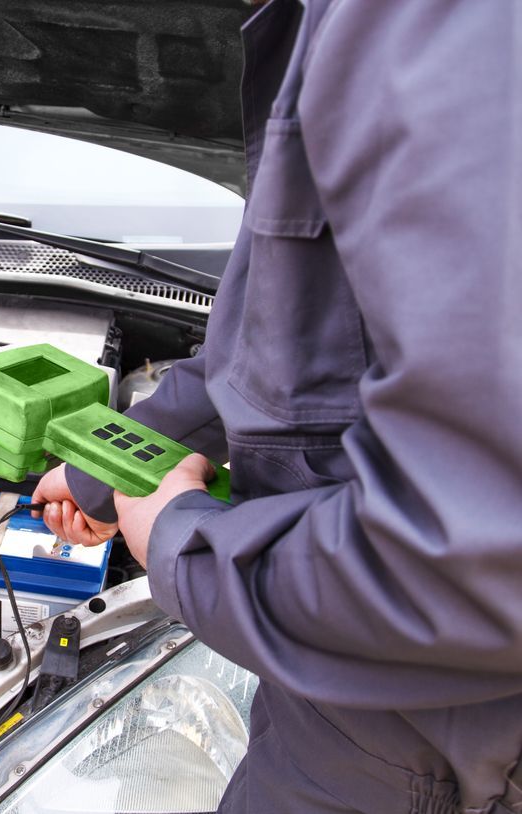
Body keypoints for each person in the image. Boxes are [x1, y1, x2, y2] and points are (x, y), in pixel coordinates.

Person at [31, 1, 522, 812]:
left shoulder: (438, 27)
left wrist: (183, 543)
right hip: (346, 703)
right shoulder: (340, 20)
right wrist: (112, 463)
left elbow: (477, 549)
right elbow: (282, 337)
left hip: (426, 751)